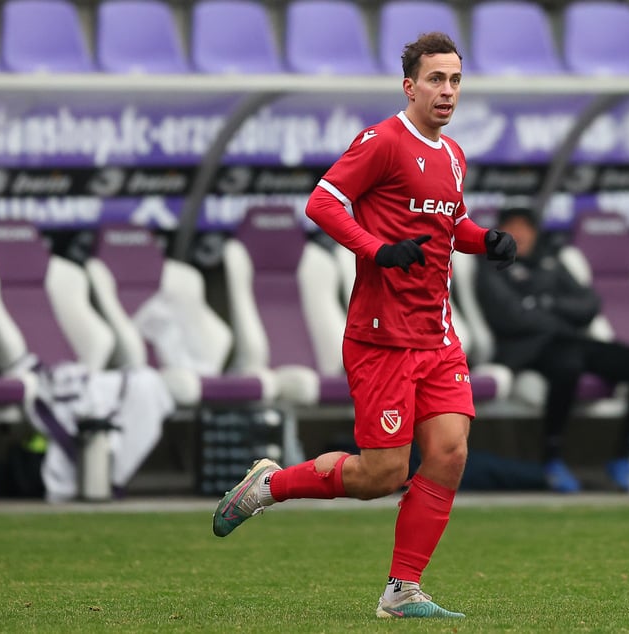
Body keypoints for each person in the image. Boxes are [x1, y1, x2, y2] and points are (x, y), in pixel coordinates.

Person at [211, 32, 516, 619]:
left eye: (454, 80)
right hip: (382, 337)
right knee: (381, 474)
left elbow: (450, 226)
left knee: (449, 454)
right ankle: (269, 486)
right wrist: (377, 250)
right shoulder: (381, 141)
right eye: (436, 79)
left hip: (438, 335)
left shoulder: (453, 155)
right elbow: (323, 202)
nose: (447, 90)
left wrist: (486, 240)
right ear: (410, 86)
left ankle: (403, 591)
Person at [474, 207, 629, 493]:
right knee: (568, 365)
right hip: (527, 350)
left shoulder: (551, 261)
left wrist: (545, 304)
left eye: (526, 228)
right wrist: (558, 311)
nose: (520, 234)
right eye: (512, 227)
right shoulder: (490, 265)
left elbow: (589, 304)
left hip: (570, 339)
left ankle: (623, 455)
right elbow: (511, 317)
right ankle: (552, 459)